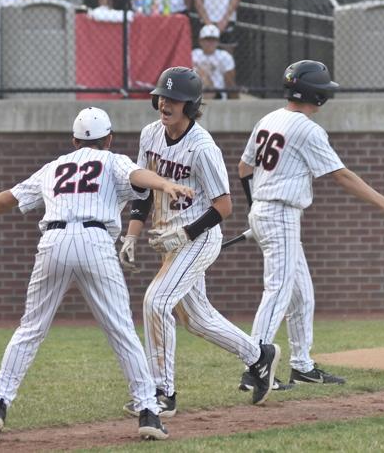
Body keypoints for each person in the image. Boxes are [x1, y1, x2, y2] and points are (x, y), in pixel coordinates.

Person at [0, 107, 196, 441]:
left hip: (54, 241)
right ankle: (148, 411)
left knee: (30, 329)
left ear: (74, 140)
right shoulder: (113, 159)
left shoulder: (55, 165)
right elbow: (138, 177)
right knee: (120, 329)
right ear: (109, 138)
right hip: (95, 240)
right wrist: (164, 183)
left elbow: (10, 197)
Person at [236, 60, 384, 392]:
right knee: (279, 291)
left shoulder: (268, 118)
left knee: (302, 295)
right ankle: (254, 367)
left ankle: (301, 366)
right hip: (280, 213)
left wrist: (256, 207)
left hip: (266, 210)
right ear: (316, 95)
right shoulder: (307, 128)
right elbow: (340, 175)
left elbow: (244, 167)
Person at [117, 66, 281, 417]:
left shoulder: (203, 147)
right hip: (171, 241)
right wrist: (131, 233)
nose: (166, 103)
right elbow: (144, 191)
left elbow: (224, 206)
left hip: (199, 238)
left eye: (174, 99)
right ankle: (259, 356)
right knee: (197, 319)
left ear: (190, 106)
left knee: (156, 302)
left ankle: (162, 393)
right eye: (163, 96)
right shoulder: (150, 135)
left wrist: (185, 233)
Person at [192, 24, 237, 99]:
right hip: (196, 92)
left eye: (213, 39)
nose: (210, 42)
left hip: (217, 95)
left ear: (218, 41)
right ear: (200, 41)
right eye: (207, 39)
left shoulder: (224, 56)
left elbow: (230, 83)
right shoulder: (194, 54)